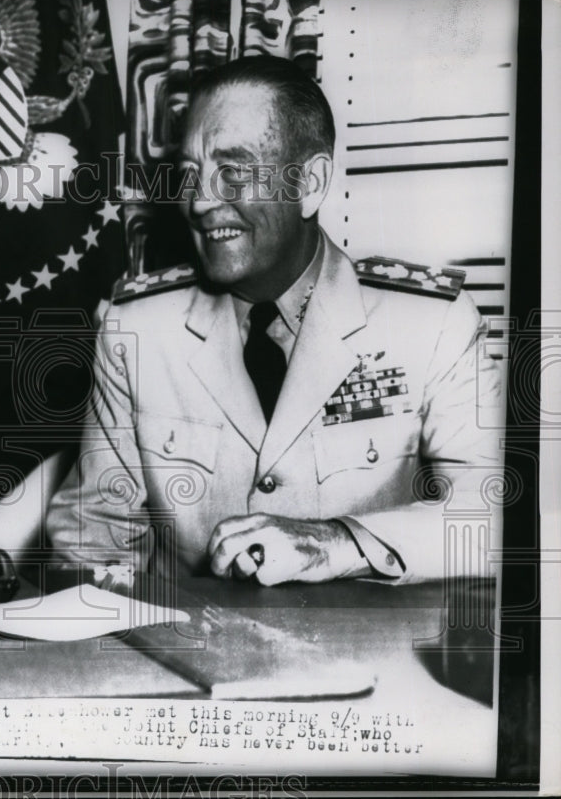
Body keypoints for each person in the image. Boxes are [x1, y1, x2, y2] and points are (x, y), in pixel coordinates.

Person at [46, 56, 504, 586]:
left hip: (362, 658)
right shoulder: (137, 329)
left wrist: (338, 542)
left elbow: (492, 518)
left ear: (310, 183)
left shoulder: (431, 324)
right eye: (189, 174)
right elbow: (93, 535)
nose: (199, 200)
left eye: (234, 172)